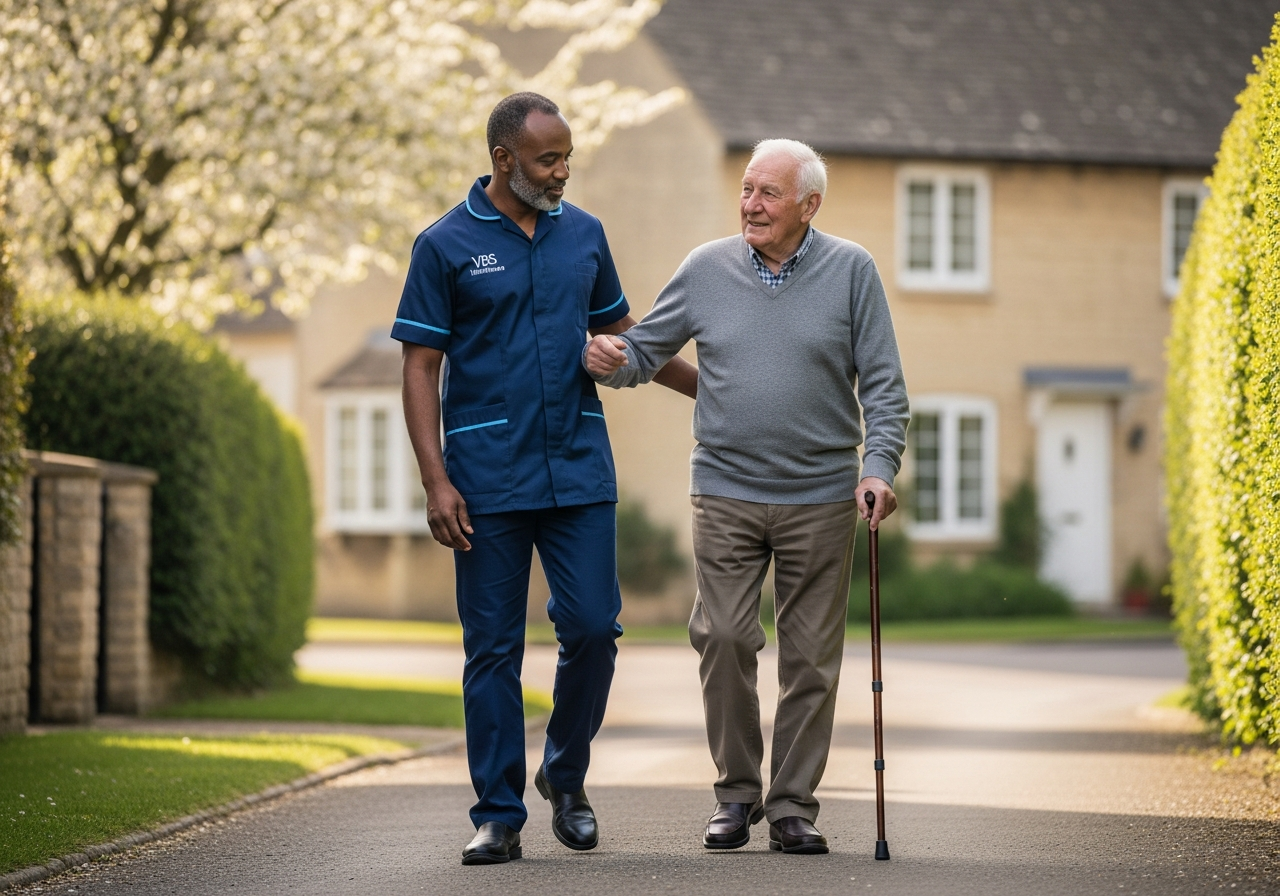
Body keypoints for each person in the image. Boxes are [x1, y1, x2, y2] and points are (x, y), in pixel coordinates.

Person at [395, 92, 697, 865]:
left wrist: (710, 387)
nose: (562, 172)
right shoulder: (445, 245)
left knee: (594, 628)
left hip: (578, 469)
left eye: (566, 157)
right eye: (547, 160)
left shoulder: (586, 236)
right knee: (492, 648)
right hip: (485, 477)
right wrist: (436, 480)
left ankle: (565, 774)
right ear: (504, 161)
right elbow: (421, 365)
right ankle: (498, 813)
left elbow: (625, 335)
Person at [584, 138, 909, 855]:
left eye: (768, 193)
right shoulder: (706, 268)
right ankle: (736, 794)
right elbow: (644, 351)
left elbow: (884, 385)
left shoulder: (852, 271)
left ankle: (793, 806)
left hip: (822, 495)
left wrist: (878, 467)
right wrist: (609, 359)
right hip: (725, 489)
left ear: (808, 205)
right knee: (724, 636)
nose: (750, 204)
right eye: (746, 189)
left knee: (810, 660)